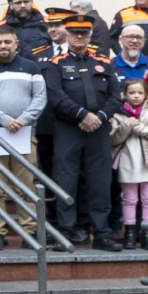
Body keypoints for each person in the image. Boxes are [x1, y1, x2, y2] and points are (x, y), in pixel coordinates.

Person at [43, 14, 123, 251]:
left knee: (100, 182)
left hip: (99, 129)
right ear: (67, 35)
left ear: (90, 36)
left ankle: (101, 234)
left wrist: (99, 117)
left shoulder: (104, 62)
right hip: (69, 129)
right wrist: (82, 115)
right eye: (75, 33)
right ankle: (67, 232)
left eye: (84, 33)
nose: (80, 37)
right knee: (66, 180)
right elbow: (55, 96)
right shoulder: (56, 63)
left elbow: (115, 96)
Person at [0, 24, 47, 251]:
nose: (3, 46)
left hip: (24, 133)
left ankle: (30, 231)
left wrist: (23, 120)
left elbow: (40, 98)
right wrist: (5, 120)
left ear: (16, 44)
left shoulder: (31, 67)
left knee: (25, 185)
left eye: (7, 42)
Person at [111, 79, 148, 251]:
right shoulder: (117, 115)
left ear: (146, 95)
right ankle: (129, 232)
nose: (136, 96)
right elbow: (113, 139)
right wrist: (127, 126)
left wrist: (139, 128)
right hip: (127, 162)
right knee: (129, 199)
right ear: (124, 95)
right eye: (132, 93)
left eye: (140, 93)